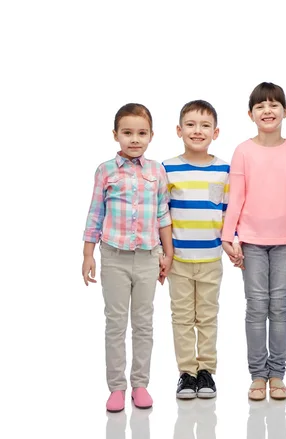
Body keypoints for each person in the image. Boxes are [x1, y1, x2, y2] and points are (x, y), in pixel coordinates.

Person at [82, 103, 173, 412]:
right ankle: (116, 388)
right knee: (116, 323)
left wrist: (167, 253)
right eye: (128, 132)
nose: (135, 139)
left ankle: (140, 384)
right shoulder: (106, 171)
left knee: (144, 323)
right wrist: (87, 254)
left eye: (142, 133)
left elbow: (163, 213)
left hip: (148, 257)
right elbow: (96, 213)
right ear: (116, 135)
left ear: (150, 136)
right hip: (114, 256)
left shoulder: (156, 171)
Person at [221, 82, 286, 400]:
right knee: (257, 307)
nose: (267, 110)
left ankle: (278, 375)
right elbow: (237, 197)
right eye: (260, 106)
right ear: (250, 114)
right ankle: (258, 375)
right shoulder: (243, 151)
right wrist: (227, 236)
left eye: (274, 104)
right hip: (252, 241)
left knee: (280, 306)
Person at [162, 100, 230, 400]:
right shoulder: (168, 168)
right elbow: (161, 214)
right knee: (181, 316)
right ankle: (186, 373)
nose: (197, 131)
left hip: (211, 258)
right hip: (178, 259)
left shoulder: (223, 169)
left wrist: (232, 242)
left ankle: (206, 372)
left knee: (207, 315)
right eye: (190, 125)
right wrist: (162, 255)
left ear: (215, 132)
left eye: (205, 126)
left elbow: (228, 212)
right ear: (179, 130)